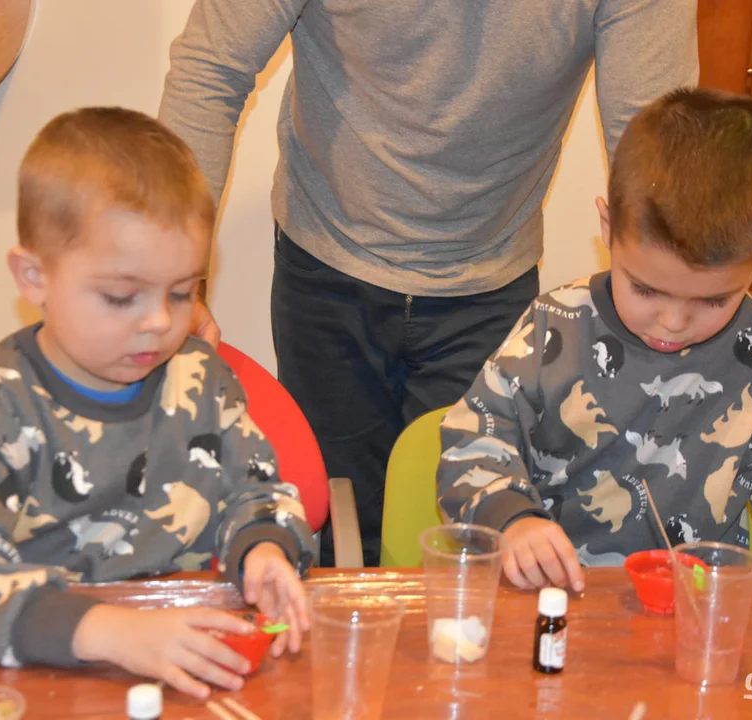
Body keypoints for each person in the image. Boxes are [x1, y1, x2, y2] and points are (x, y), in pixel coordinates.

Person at [159, 0, 699, 566]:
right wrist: (171, 283)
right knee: (337, 542)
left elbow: (660, 146)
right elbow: (210, 70)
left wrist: (667, 316)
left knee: (468, 553)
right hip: (326, 259)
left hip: (491, 278)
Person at [0, 107, 316, 699]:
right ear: (34, 277)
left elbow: (260, 492)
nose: (159, 323)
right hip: (47, 673)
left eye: (181, 292)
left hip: (195, 667)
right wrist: (110, 632)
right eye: (122, 297)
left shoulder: (201, 378)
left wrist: (265, 548)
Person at [436, 88, 752, 592]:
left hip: (701, 609)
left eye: (714, 300)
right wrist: (514, 521)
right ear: (608, 226)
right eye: (646, 288)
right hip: (560, 598)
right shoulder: (555, 325)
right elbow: (474, 441)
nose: (674, 321)